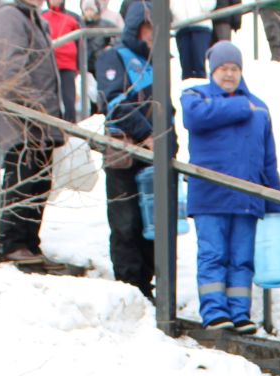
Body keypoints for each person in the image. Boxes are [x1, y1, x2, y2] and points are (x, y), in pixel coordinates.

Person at [181, 43, 280, 335]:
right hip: (210, 197)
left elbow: (268, 159)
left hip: (247, 199)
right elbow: (193, 117)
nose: (229, 74)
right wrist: (239, 106)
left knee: (242, 259)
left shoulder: (260, 107)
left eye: (235, 69)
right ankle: (214, 312)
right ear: (213, 70)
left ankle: (240, 313)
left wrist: (273, 200)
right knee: (213, 255)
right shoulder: (195, 96)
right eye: (224, 68)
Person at [0, 0, 62, 264]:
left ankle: (30, 242)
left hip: (44, 120)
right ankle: (14, 242)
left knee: (40, 184)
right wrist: (33, 110)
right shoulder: (9, 14)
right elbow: (11, 69)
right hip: (23, 120)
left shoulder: (35, 18)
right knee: (23, 180)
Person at [98, 1, 159, 296]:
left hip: (152, 156)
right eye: (149, 28)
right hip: (123, 152)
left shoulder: (158, 63)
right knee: (125, 222)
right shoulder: (113, 57)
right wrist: (146, 133)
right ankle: (129, 284)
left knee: (151, 223)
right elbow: (114, 103)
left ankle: (146, 281)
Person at [43, 0, 81, 120]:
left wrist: (78, 66)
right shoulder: (42, 17)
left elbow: (80, 43)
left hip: (67, 65)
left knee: (69, 100)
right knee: (50, 98)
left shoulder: (72, 18)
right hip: (49, 64)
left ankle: (71, 128)